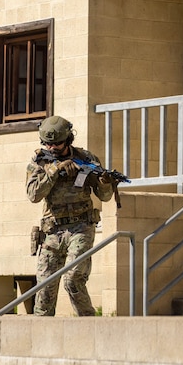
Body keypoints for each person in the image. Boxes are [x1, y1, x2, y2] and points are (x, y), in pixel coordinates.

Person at [26, 115, 116, 316]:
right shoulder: (39, 162)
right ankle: (42, 336)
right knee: (45, 289)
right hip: (52, 231)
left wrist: (104, 182)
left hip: (81, 226)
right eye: (48, 144)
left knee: (73, 279)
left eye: (57, 144)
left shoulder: (86, 159)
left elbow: (105, 196)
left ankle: (89, 327)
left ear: (68, 140)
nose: (52, 148)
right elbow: (33, 195)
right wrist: (54, 171)